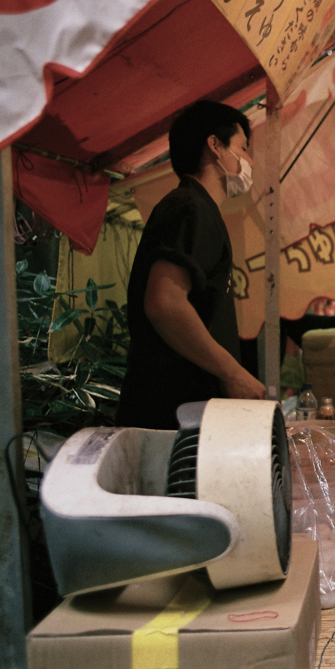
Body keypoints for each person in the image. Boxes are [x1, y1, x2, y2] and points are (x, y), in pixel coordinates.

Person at [117, 100, 265, 429]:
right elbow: (164, 302)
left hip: (187, 413)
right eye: (243, 148)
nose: (249, 161)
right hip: (170, 416)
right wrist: (233, 373)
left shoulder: (197, 209)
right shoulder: (189, 208)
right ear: (215, 146)